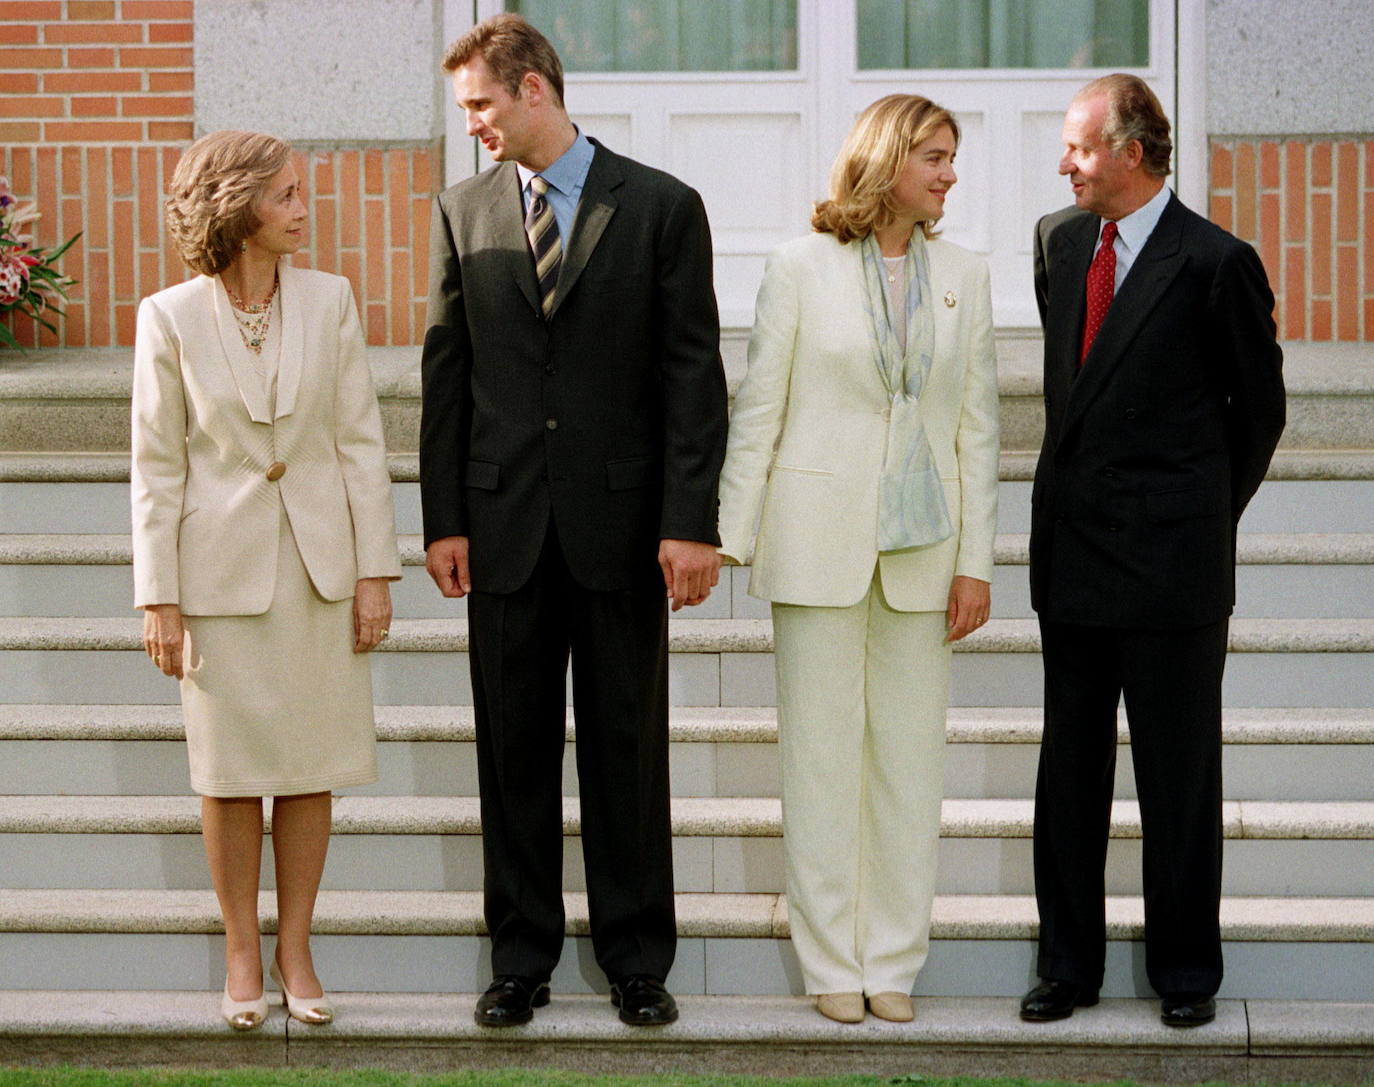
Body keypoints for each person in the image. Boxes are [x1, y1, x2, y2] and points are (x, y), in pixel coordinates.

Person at [419, 14, 728, 1028]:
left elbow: (692, 376)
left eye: (480, 106)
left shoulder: (664, 208)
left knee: (626, 750)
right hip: (502, 529)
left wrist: (690, 520)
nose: (472, 126)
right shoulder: (462, 212)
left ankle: (639, 959)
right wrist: (443, 519)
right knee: (511, 755)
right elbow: (446, 376)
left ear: (534, 89)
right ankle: (520, 960)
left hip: (624, 529)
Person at [717, 94, 999, 1024]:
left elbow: (978, 430)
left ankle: (894, 962)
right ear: (887, 158)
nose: (950, 173)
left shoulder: (966, 273)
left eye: (953, 158)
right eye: (935, 155)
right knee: (821, 761)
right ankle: (831, 960)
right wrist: (733, 534)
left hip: (925, 551)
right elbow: (759, 408)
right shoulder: (801, 267)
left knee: (909, 769)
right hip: (817, 543)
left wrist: (978, 563)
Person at [1021, 74, 1285, 1028]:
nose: (1064, 166)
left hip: (1173, 571)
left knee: (1179, 780)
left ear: (1132, 153)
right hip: (1074, 561)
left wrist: (1198, 519)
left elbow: (1257, 417)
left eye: (1079, 149)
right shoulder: (1057, 243)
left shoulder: (1216, 261)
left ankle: (1185, 975)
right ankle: (1067, 967)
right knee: (1069, 775)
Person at [132, 130, 401, 1032]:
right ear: (239, 206)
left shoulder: (331, 301)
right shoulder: (167, 316)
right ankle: (243, 950)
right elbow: (156, 470)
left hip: (320, 571)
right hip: (216, 581)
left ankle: (299, 948)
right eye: (286, 195)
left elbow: (360, 442)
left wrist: (374, 571)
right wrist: (159, 596)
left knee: (312, 763)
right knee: (229, 772)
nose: (302, 208)